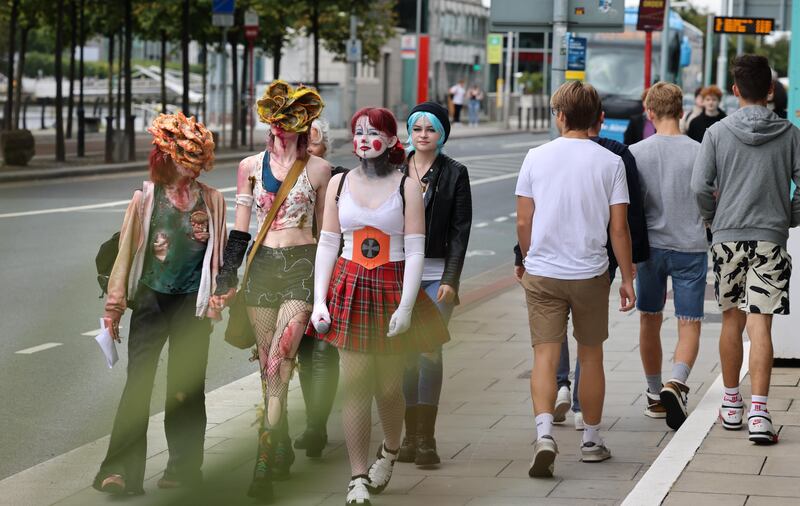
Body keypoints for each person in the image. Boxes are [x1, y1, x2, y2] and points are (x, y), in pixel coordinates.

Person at [308, 107, 450, 505]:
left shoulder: (407, 186)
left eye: (374, 132)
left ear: (391, 140)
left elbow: (416, 248)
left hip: (391, 284)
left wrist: (406, 307)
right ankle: (356, 476)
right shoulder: (338, 183)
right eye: (358, 131)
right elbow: (328, 243)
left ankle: (389, 451)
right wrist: (320, 300)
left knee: (388, 388)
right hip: (350, 284)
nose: (364, 138)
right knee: (355, 387)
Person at [212, 80, 331, 501]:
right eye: (274, 123)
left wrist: (324, 288)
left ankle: (263, 458)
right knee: (267, 366)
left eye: (288, 123)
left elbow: (325, 233)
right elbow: (240, 229)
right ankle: (278, 442)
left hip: (301, 267)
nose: (279, 131)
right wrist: (227, 278)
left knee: (281, 357)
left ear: (303, 127)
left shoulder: (319, 171)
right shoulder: (248, 167)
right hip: (261, 269)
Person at [93, 112, 223, 496]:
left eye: (197, 155)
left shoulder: (212, 200)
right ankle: (120, 471)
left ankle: (183, 468)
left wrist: (217, 296)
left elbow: (216, 258)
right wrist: (114, 308)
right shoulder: (146, 198)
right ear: (167, 155)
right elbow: (125, 255)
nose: (192, 162)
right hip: (151, 299)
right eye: (185, 154)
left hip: (191, 305)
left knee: (186, 388)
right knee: (138, 385)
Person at [516, 81, 636, 478]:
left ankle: (545, 434)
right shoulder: (610, 162)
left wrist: (528, 258)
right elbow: (619, 229)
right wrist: (627, 277)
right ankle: (591, 440)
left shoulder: (535, 156)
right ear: (597, 118)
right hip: (590, 273)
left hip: (544, 272)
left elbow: (523, 219)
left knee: (545, 357)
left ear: (561, 116)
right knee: (591, 355)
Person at [692, 54, 800, 445]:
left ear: (736, 91)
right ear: (771, 90)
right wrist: (787, 217)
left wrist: (712, 218)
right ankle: (759, 413)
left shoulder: (717, 133)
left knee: (732, 321)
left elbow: (700, 187)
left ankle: (731, 405)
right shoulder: (790, 133)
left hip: (727, 237)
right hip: (771, 237)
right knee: (762, 324)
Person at [629, 82, 707, 430]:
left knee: (649, 319)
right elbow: (709, 198)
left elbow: (629, 208)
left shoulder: (635, 152)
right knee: (689, 321)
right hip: (691, 246)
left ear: (649, 112)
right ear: (681, 111)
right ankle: (676, 382)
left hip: (650, 249)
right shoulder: (700, 151)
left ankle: (653, 394)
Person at [398, 101, 472, 466]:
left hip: (437, 276)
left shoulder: (456, 173)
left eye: (430, 129)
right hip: (398, 275)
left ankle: (426, 439)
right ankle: (408, 436)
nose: (423, 135)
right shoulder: (396, 169)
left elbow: (461, 232)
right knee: (405, 355)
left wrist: (451, 279)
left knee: (428, 350)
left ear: (442, 134)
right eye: (417, 129)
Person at [294, 118, 347, 458]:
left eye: (312, 145)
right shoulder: (284, 177)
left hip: (332, 270)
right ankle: (315, 420)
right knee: (303, 351)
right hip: (296, 271)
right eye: (302, 144)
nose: (307, 151)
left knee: (325, 350)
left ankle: (316, 425)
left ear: (324, 148)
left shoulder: (339, 178)